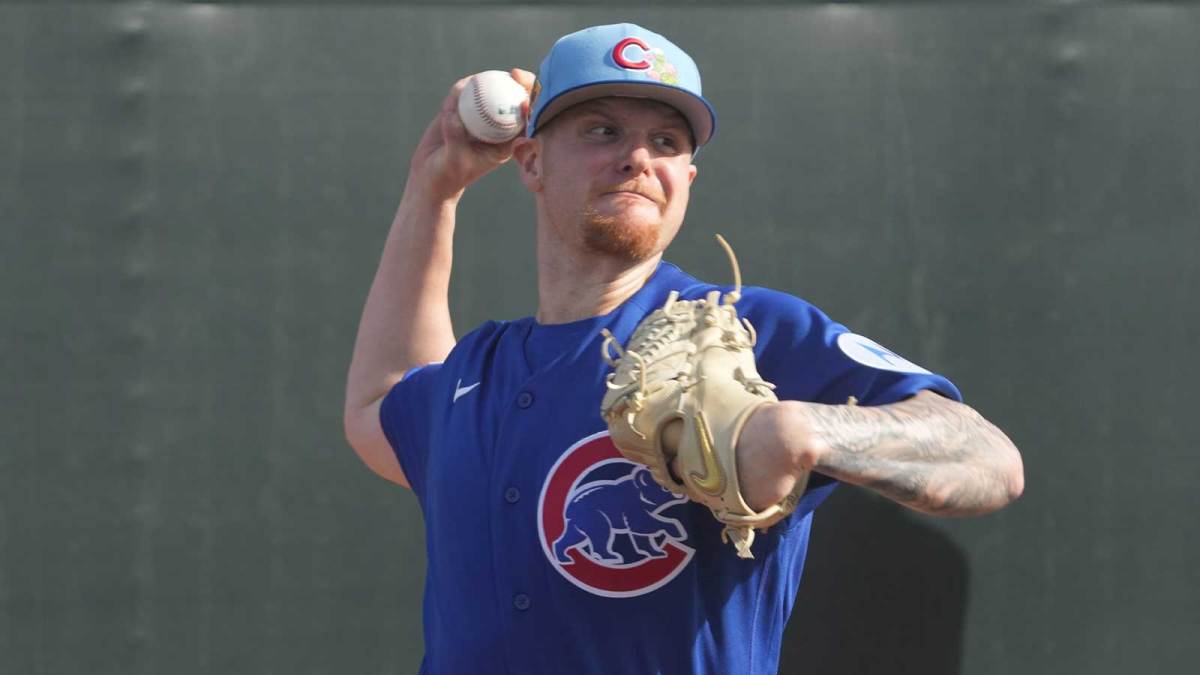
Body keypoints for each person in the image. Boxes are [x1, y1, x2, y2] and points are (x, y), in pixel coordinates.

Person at [343, 23, 1024, 675]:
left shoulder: (743, 330)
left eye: (666, 140)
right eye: (602, 129)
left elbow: (986, 456)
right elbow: (383, 399)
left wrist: (805, 430)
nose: (638, 156)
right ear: (531, 160)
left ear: (687, 181)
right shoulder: (479, 375)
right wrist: (433, 187)